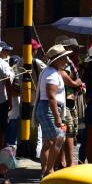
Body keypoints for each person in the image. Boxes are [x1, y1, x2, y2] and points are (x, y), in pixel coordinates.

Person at [36, 44, 71, 175]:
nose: (67, 60)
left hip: (48, 108)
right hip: (49, 109)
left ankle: (45, 169)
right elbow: (51, 97)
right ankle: (49, 170)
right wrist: (57, 118)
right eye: (64, 58)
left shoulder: (51, 72)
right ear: (57, 60)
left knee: (48, 142)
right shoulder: (51, 73)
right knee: (59, 137)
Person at [54, 36, 84, 168]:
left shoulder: (72, 62)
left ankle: (63, 163)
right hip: (64, 101)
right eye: (75, 48)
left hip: (70, 101)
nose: (77, 51)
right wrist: (75, 83)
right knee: (67, 132)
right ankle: (66, 163)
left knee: (69, 133)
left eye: (77, 49)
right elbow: (63, 75)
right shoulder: (62, 63)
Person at [0, 42, 16, 149]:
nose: (8, 53)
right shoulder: (3, 64)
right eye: (6, 50)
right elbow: (8, 84)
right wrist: (10, 102)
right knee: (2, 128)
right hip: (1, 102)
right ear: (0, 50)